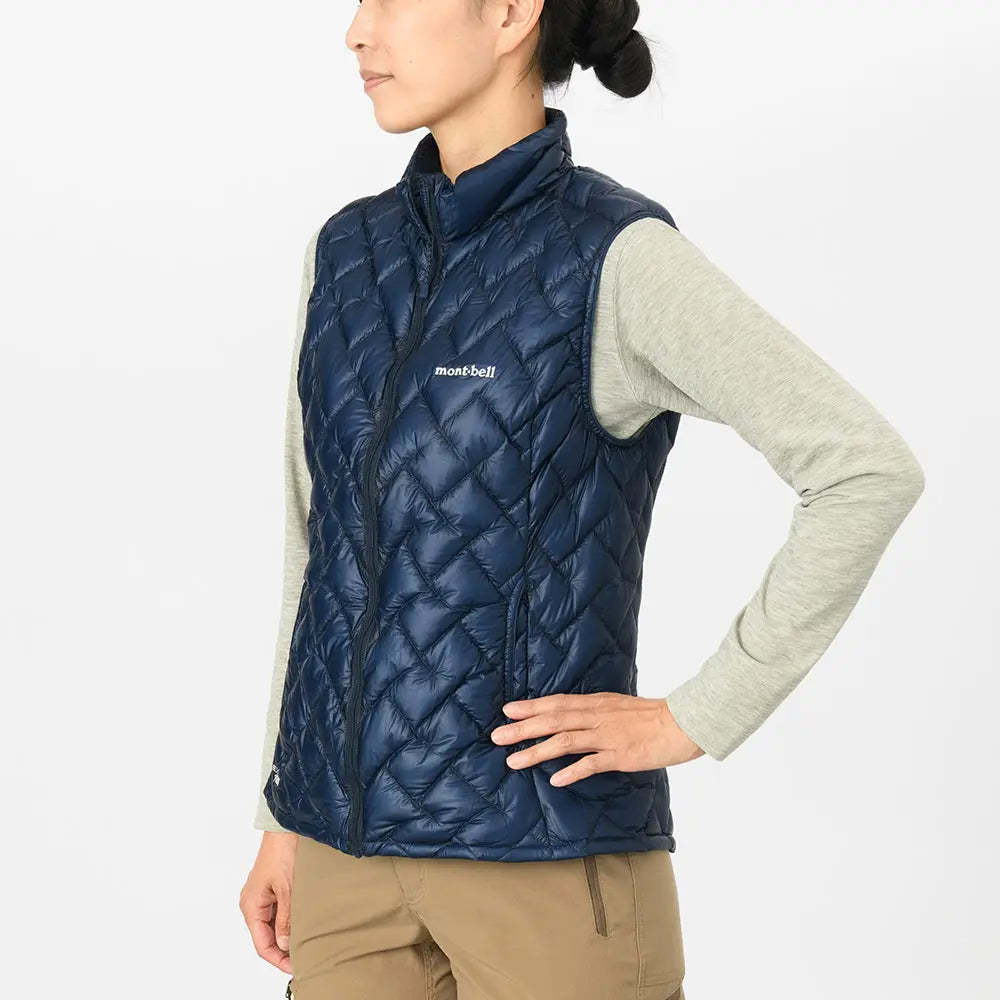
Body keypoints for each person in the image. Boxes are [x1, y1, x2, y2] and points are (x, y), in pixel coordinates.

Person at [239, 1, 926, 997]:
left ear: (510, 13)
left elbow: (863, 468)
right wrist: (281, 812)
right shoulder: (346, 255)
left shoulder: (615, 255)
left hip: (547, 859)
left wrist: (695, 716)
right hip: (341, 862)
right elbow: (317, 549)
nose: (357, 29)